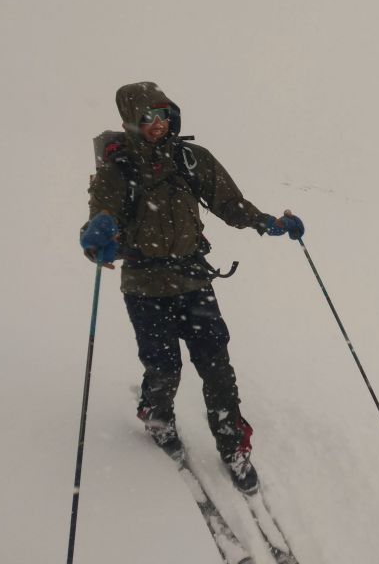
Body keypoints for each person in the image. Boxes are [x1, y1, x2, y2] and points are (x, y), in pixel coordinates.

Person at [79, 82, 304, 494]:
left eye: (163, 114)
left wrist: (271, 223)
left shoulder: (190, 159)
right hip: (145, 286)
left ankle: (233, 445)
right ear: (131, 119)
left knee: (216, 363)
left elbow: (232, 205)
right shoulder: (118, 168)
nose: (157, 124)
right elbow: (101, 213)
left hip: (191, 278)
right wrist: (96, 234)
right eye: (147, 117)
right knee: (164, 366)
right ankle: (157, 416)